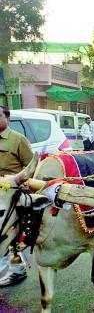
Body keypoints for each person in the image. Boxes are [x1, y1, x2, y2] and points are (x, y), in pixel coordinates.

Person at [0, 105, 33, 287]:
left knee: (10, 233)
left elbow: (31, 169)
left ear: (7, 118)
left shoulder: (18, 140)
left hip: (12, 195)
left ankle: (15, 271)